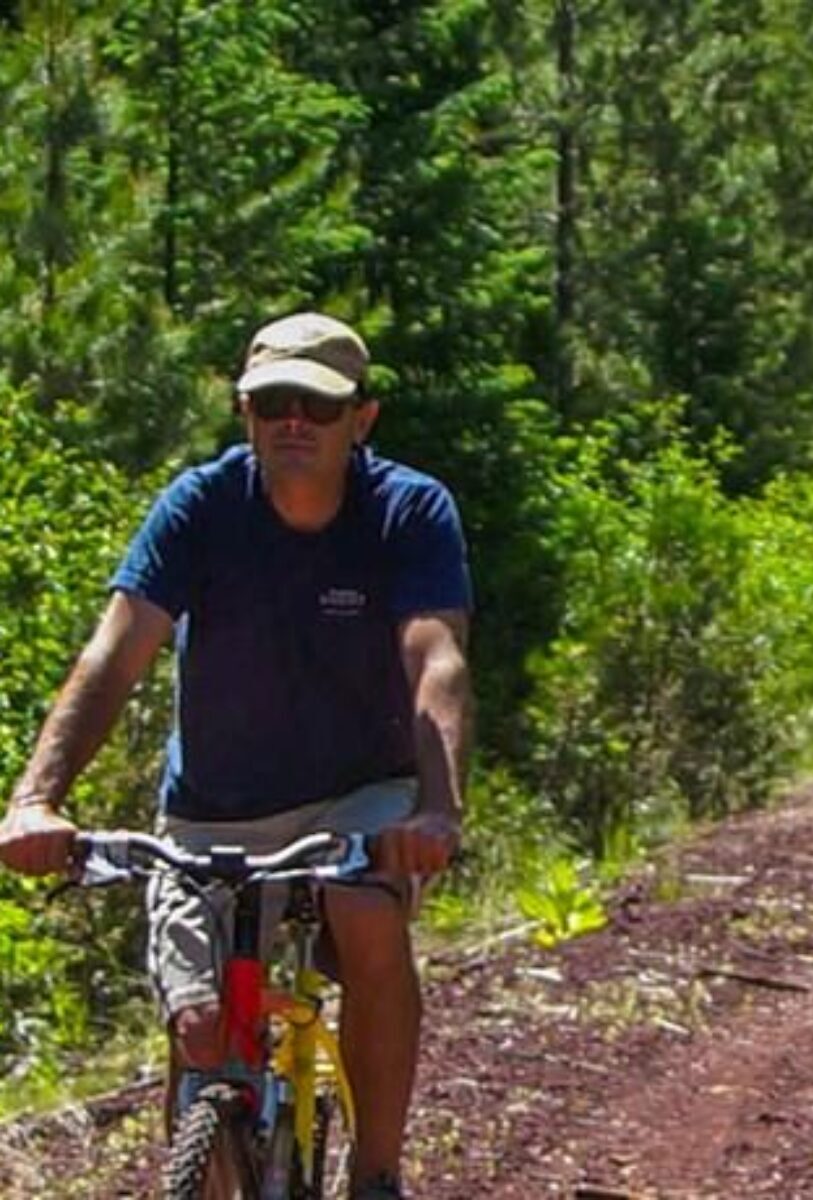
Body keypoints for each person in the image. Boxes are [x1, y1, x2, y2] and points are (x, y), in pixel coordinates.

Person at [0, 312, 472, 1200]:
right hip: (212, 808)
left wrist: (435, 808)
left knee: (364, 911)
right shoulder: (200, 507)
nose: (293, 421)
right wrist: (37, 799)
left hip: (357, 795)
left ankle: (375, 1176)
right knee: (202, 1023)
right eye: (271, 404)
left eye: (317, 406)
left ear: (360, 420)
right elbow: (116, 653)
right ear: (244, 413)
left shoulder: (408, 510)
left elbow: (434, 657)